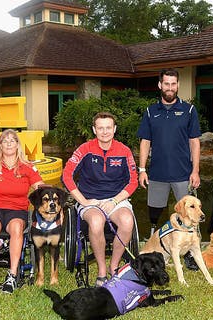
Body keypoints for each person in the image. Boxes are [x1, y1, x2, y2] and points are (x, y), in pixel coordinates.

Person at [62, 112, 138, 287]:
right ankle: (102, 271)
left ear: (115, 129)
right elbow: (67, 176)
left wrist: (115, 200)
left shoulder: (124, 151)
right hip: (91, 199)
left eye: (108, 127)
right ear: (94, 130)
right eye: (100, 128)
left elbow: (133, 181)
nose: (105, 132)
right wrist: (83, 201)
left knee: (127, 221)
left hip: (116, 199)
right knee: (96, 222)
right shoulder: (84, 149)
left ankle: (114, 266)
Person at [136, 68, 201, 269]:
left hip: (183, 173)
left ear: (178, 85)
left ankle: (190, 253)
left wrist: (196, 170)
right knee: (155, 212)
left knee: (190, 215)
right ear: (160, 85)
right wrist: (142, 169)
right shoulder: (150, 111)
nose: (170, 88)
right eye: (166, 84)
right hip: (157, 173)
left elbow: (195, 142)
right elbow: (145, 142)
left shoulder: (189, 110)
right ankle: (155, 247)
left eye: (173, 84)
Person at [0, 129, 43, 294]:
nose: (9, 143)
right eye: (5, 140)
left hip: (17, 209)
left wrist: (51, 201)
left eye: (13, 140)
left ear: (18, 145)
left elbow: (41, 188)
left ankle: (12, 275)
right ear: (0, 145)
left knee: (17, 228)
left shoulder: (27, 167)